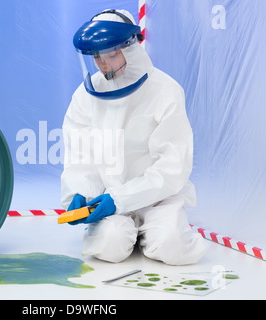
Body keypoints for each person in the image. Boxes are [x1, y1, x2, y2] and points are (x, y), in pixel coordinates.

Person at [61, 9, 207, 265]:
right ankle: (130, 233)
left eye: (111, 54)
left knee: (172, 245)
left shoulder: (166, 91)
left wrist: (122, 199)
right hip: (108, 194)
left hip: (159, 198)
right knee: (110, 246)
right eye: (96, 56)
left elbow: (172, 168)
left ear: (131, 47)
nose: (102, 64)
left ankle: (151, 232)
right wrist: (81, 192)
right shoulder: (86, 95)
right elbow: (80, 156)